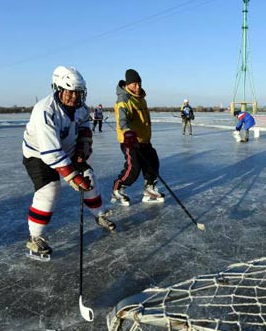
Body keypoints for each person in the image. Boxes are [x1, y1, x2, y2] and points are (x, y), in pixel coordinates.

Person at [22, 66, 116, 261]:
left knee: (89, 177)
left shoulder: (81, 107)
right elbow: (51, 153)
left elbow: (84, 125)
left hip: (67, 149)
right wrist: (72, 176)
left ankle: (99, 215)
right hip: (38, 154)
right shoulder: (45, 111)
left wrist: (83, 145)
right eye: (70, 92)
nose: (75, 97)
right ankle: (35, 237)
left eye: (78, 92)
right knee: (50, 190)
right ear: (58, 89)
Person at [111, 68, 165, 205]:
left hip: (144, 140)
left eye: (139, 83)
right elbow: (122, 121)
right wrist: (128, 132)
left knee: (153, 163)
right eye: (134, 84)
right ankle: (117, 189)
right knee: (133, 168)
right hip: (130, 140)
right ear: (128, 84)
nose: (138, 87)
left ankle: (149, 189)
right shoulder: (124, 100)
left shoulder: (141, 99)